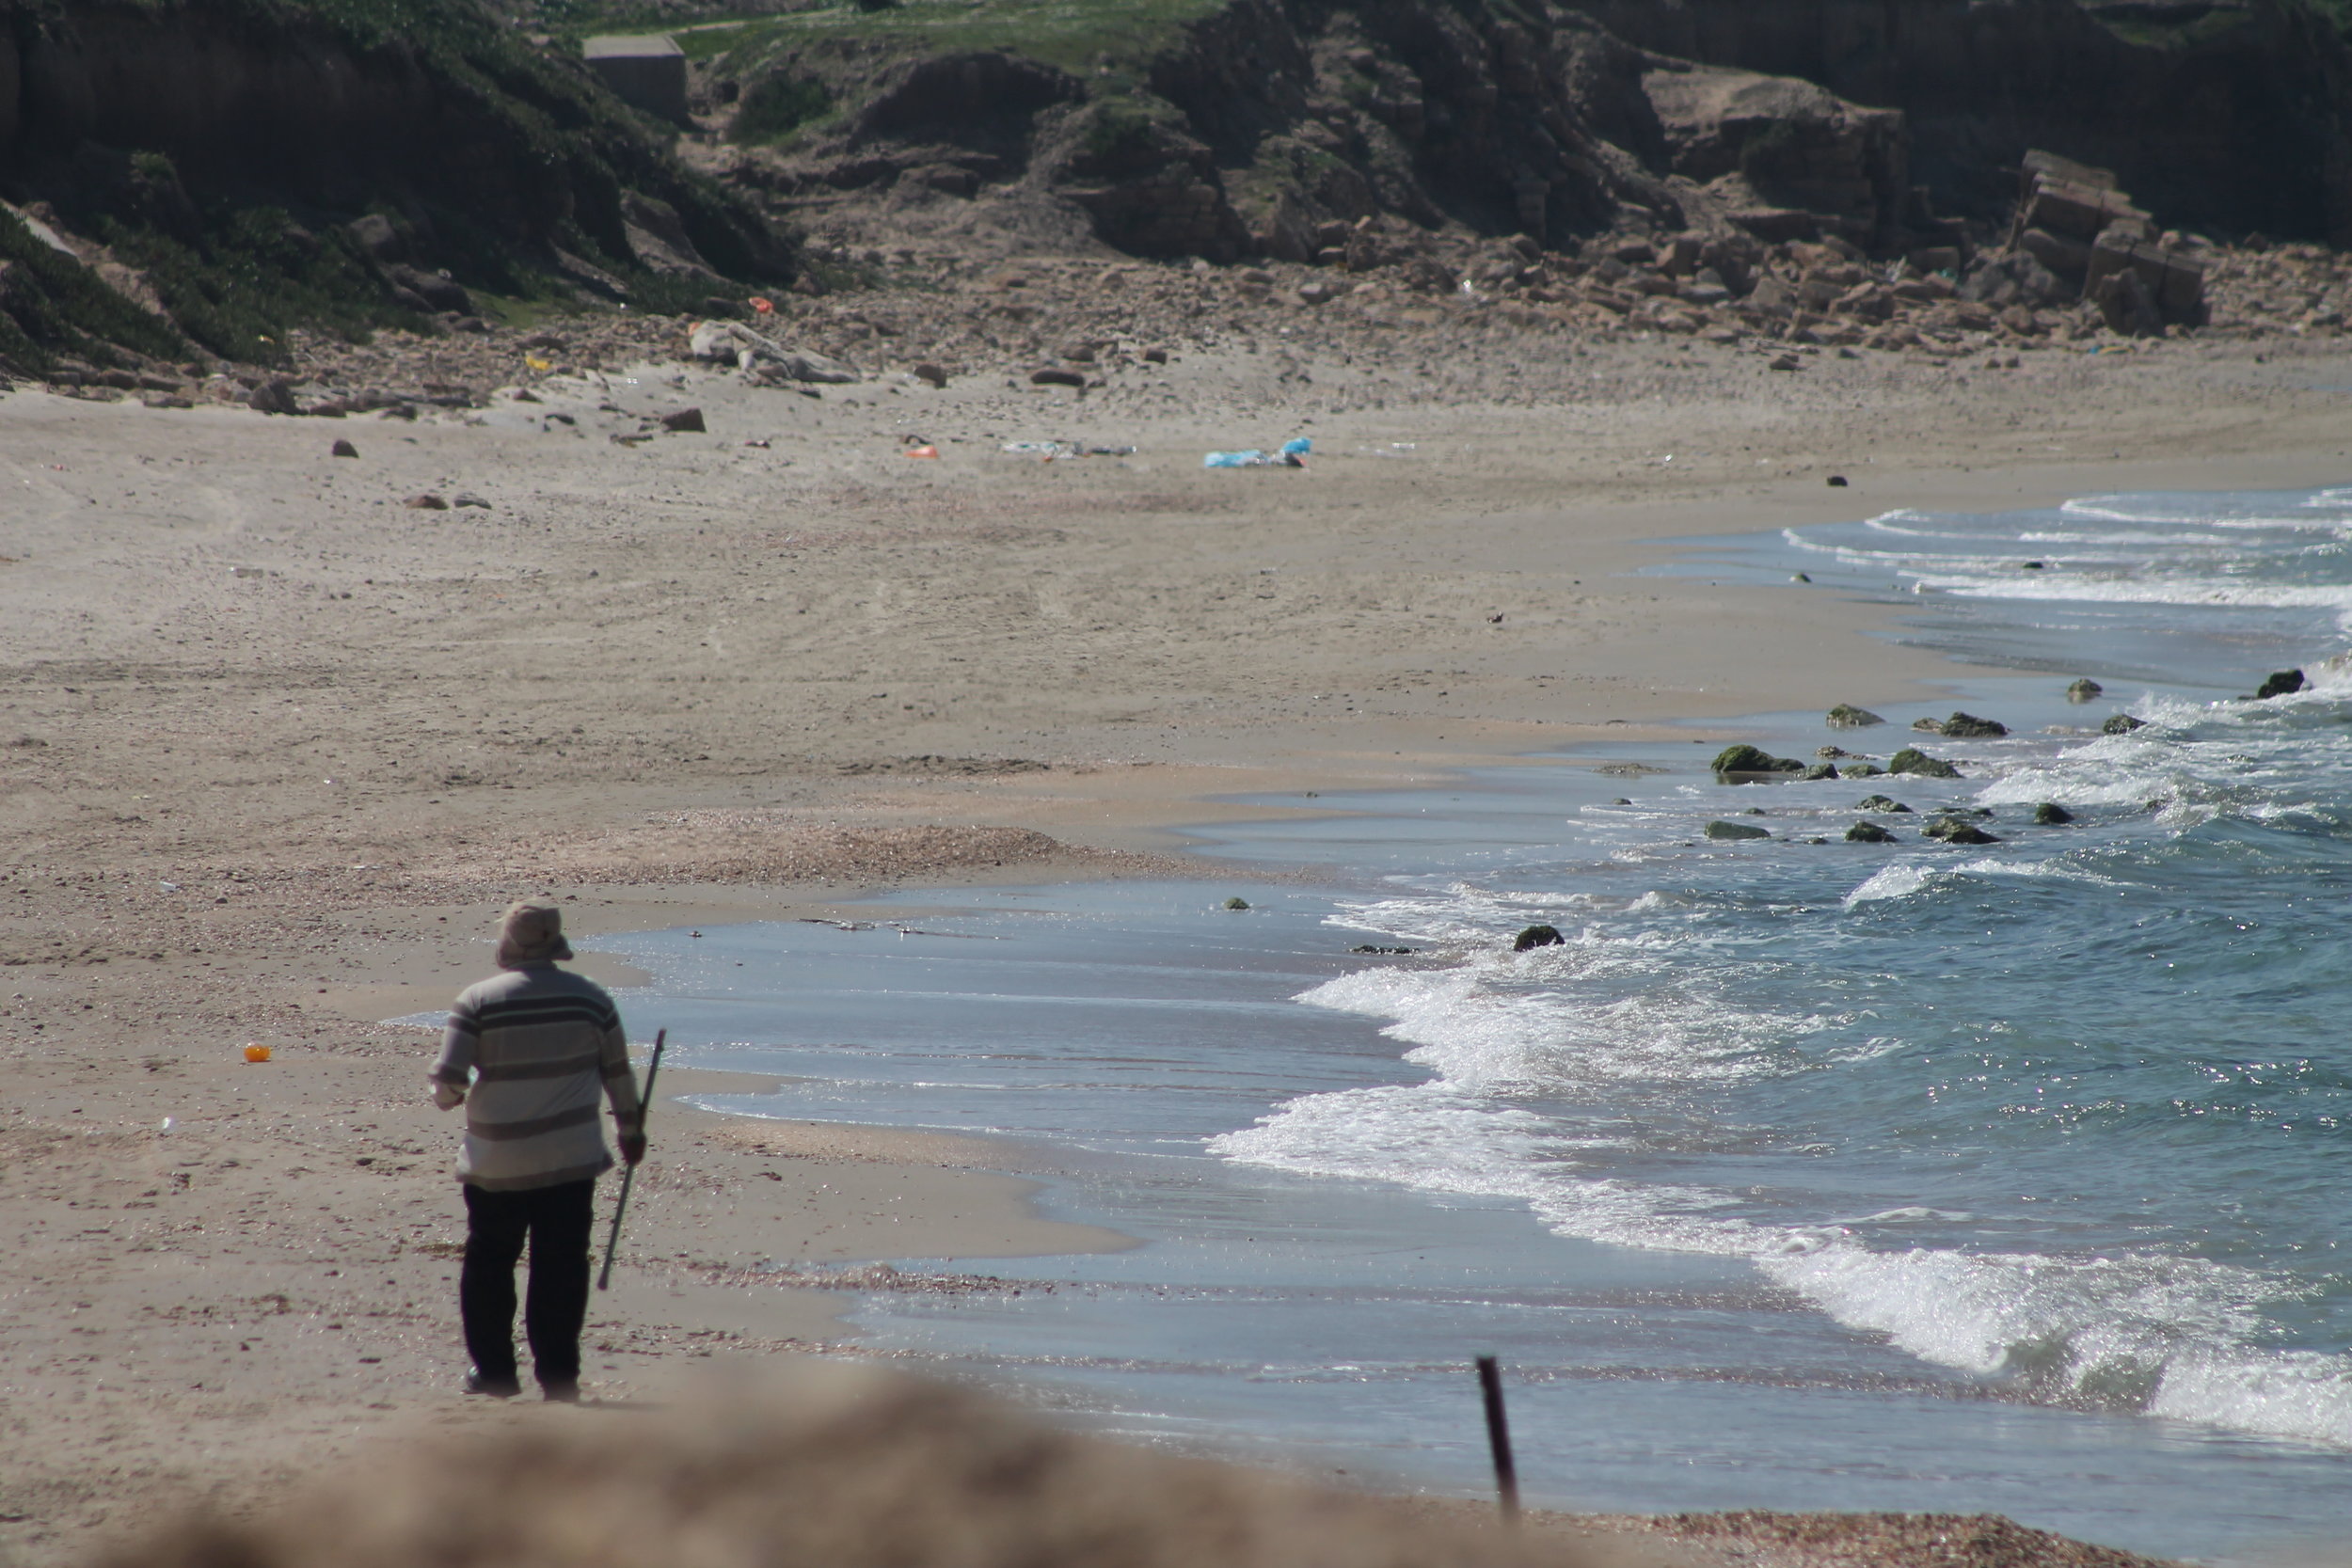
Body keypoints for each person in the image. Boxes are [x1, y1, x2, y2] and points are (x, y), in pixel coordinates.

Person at [430, 900, 644, 1402]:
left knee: (490, 1260)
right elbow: (618, 1075)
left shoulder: (478, 1000)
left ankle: (496, 1373)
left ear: (507, 943)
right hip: (570, 1157)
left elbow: (447, 1084)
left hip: (495, 1158)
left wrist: (453, 1097)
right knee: (562, 1264)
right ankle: (559, 1377)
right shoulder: (591, 999)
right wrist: (630, 1131)